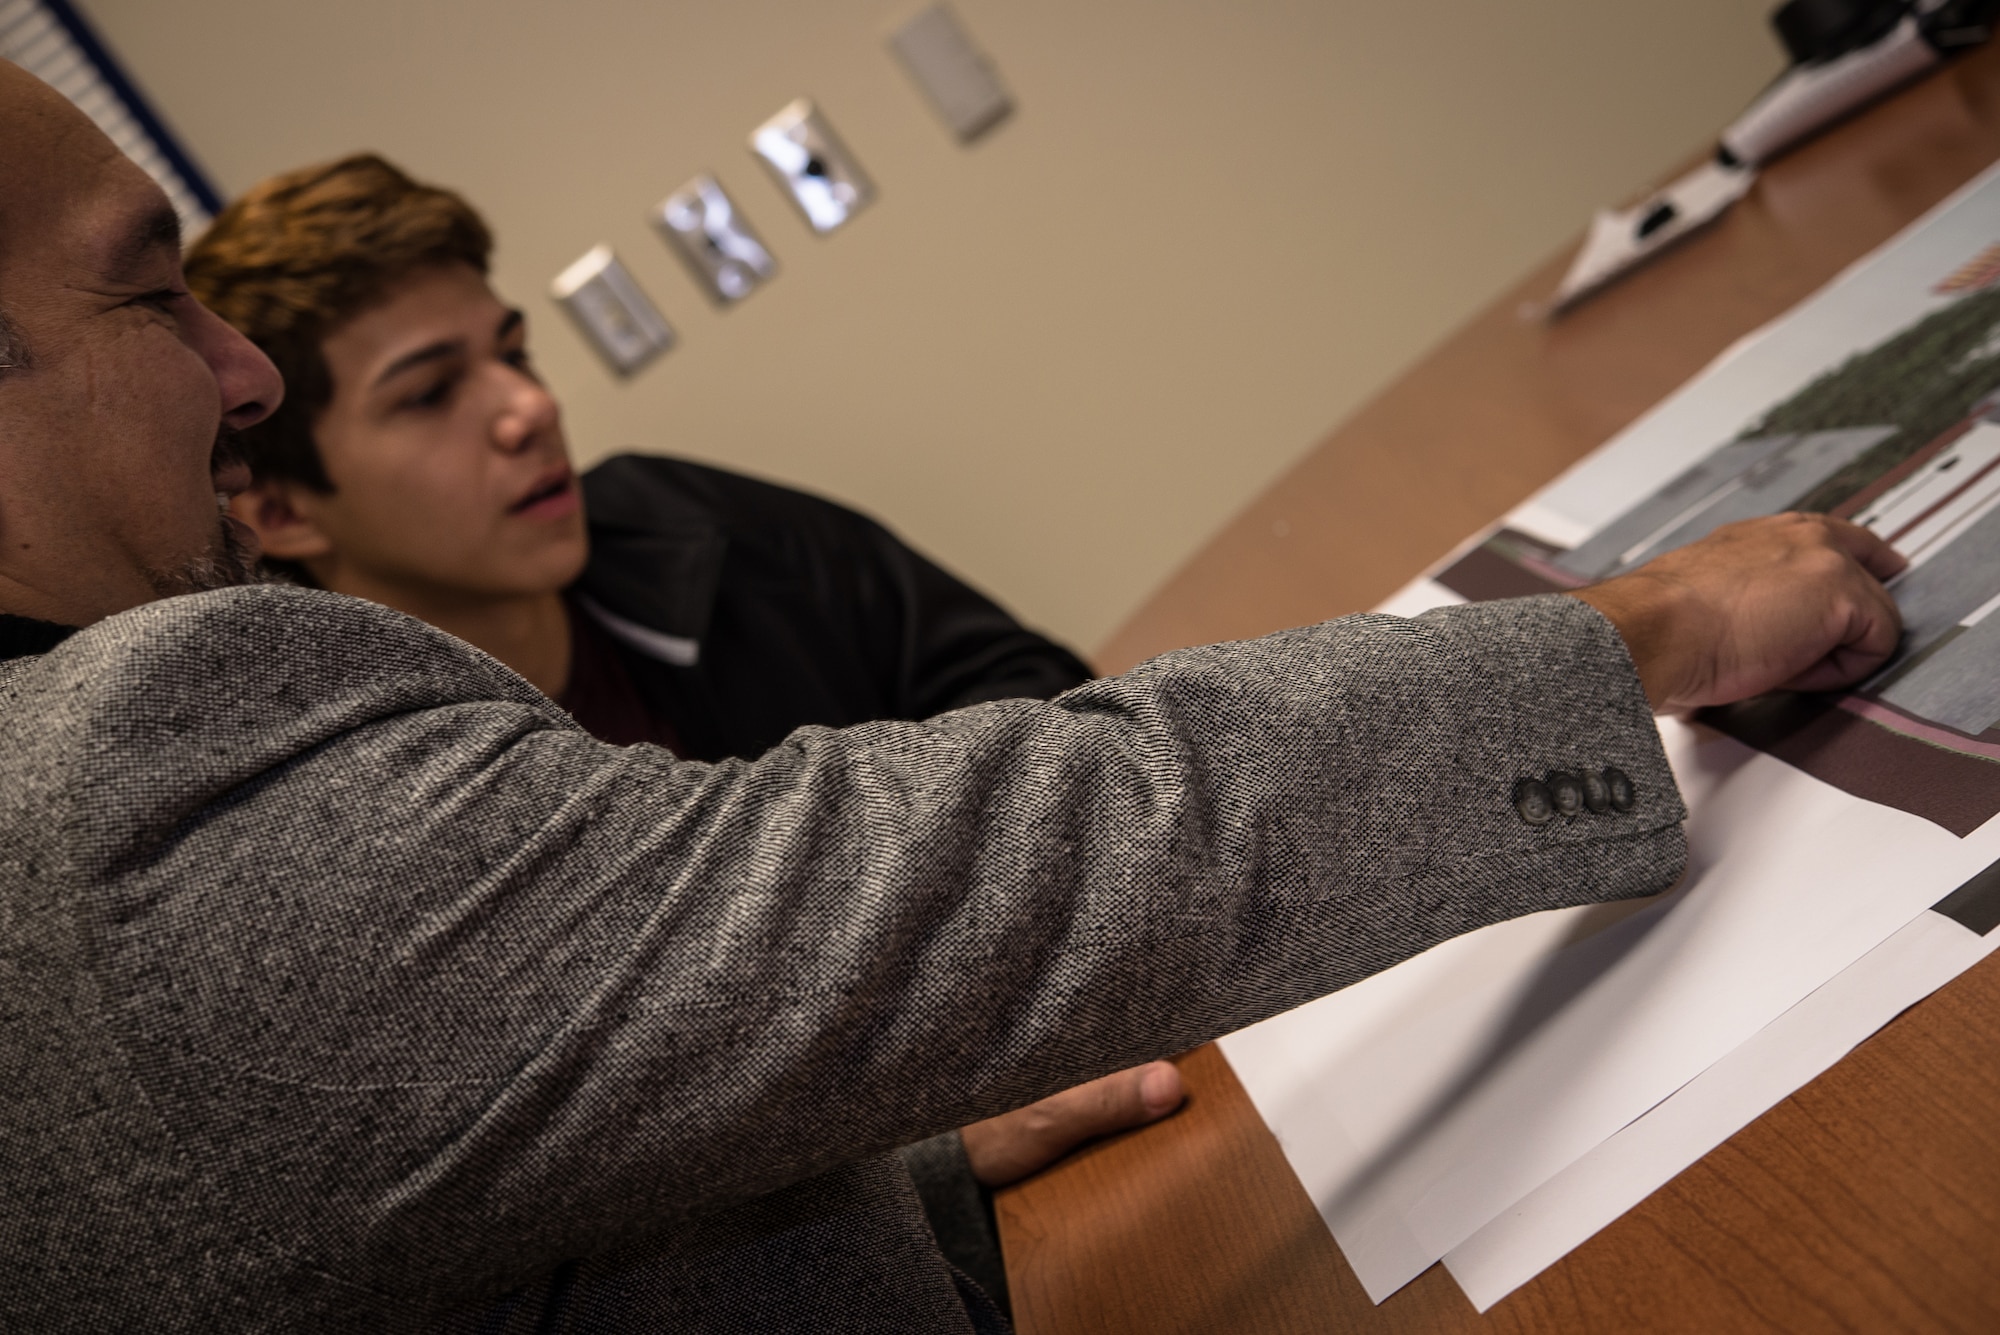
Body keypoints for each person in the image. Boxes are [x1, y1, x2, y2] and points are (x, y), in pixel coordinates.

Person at [0, 60, 1909, 1334]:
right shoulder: (121, 791)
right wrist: (1632, 640)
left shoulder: (688, 533)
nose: (234, 372)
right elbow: (945, 871)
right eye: (145, 296)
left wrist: (872, 1141)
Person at [179, 152, 1185, 1309]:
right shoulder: (344, 838)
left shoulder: (680, 522)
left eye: (511, 352)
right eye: (429, 393)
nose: (528, 408)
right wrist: (931, 1148)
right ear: (280, 510)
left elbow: (1025, 696)